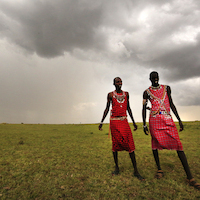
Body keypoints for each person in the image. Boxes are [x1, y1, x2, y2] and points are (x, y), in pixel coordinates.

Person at [142, 71, 200, 190]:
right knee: (155, 144)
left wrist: (179, 119)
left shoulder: (167, 88)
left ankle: (190, 177)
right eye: (153, 78)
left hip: (168, 119)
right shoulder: (146, 92)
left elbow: (171, 103)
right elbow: (143, 108)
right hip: (154, 120)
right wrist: (144, 124)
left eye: (156, 77)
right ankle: (159, 169)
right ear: (149, 79)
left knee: (178, 144)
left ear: (158, 77)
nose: (155, 79)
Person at [99, 77, 144, 180]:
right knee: (115, 145)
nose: (119, 83)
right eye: (117, 82)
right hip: (114, 122)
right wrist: (101, 122)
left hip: (124, 121)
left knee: (130, 144)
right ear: (114, 84)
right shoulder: (110, 95)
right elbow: (107, 108)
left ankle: (136, 171)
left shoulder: (126, 94)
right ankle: (117, 168)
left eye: (120, 81)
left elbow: (128, 108)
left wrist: (133, 122)